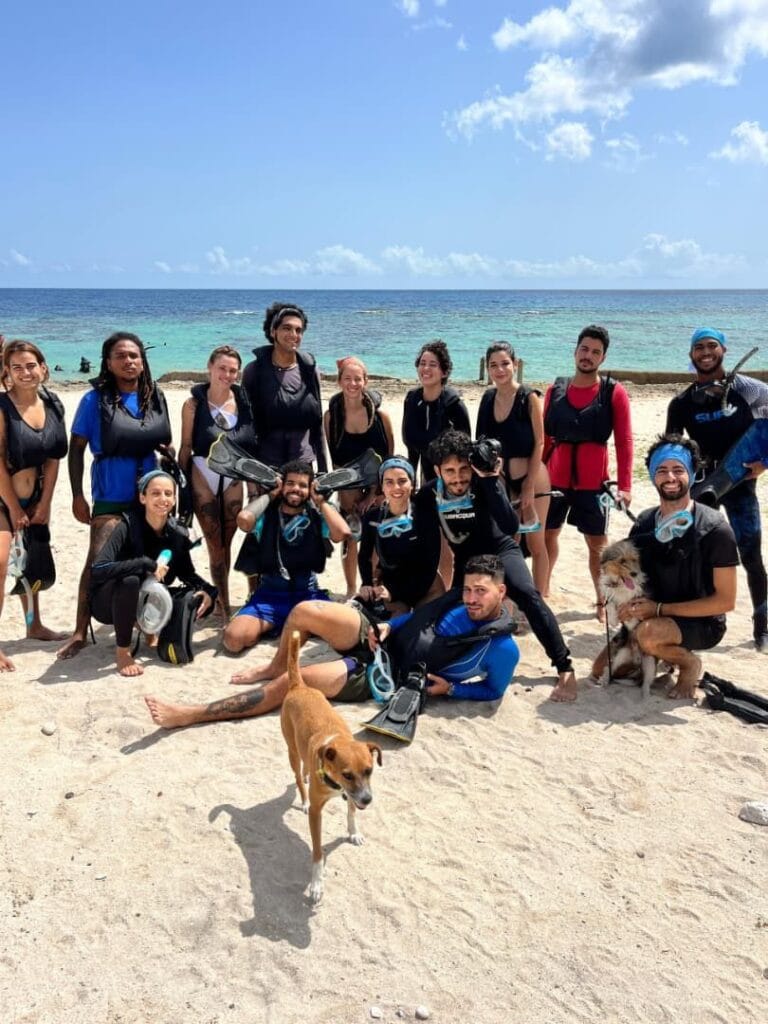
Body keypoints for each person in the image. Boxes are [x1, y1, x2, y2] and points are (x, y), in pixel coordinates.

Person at [143, 554, 520, 729]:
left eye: (481, 592)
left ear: (500, 593)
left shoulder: (502, 648)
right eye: (469, 588)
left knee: (290, 685)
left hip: (379, 671)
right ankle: (275, 661)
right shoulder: (458, 598)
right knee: (307, 610)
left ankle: (190, 713)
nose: (471, 597)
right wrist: (390, 627)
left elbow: (491, 691)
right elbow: (419, 619)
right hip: (379, 637)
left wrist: (451, 689)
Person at [414, 428, 578, 701]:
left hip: (500, 549)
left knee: (528, 595)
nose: (458, 478)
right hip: (467, 560)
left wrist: (490, 481)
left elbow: (510, 525)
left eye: (464, 469)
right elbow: (428, 549)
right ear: (437, 470)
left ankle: (564, 666)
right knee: (451, 609)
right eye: (450, 471)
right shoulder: (428, 496)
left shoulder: (484, 480)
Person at [57, 332, 172, 659]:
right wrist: (78, 495)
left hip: (149, 495)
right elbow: (76, 450)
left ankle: (146, 622)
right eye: (121, 356)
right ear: (108, 362)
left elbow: (164, 442)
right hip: (110, 493)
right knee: (97, 561)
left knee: (151, 561)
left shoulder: (154, 396)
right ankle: (80, 631)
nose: (129, 361)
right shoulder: (94, 400)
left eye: (134, 355)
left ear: (142, 360)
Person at [666, 328, 768, 652]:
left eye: (712, 346)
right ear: (691, 355)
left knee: (751, 555)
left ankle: (763, 627)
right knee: (690, 555)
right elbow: (671, 450)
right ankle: (692, 621)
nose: (705, 352)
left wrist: (765, 459)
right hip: (701, 488)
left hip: (739, 485)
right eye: (699, 347)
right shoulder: (681, 403)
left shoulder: (747, 389)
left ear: (723, 350)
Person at [615, 435, 738, 698]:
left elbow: (726, 601)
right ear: (652, 476)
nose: (670, 477)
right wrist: (625, 603)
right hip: (655, 612)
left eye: (678, 470)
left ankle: (688, 664)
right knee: (612, 668)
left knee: (647, 636)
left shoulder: (716, 529)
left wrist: (659, 609)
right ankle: (663, 654)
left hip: (703, 623)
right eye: (662, 470)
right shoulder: (645, 523)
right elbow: (632, 577)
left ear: (692, 474)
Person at [542, 325, 633, 618]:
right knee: (547, 536)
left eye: (595, 352)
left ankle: (601, 600)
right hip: (555, 478)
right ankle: (542, 592)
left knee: (597, 546)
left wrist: (626, 486)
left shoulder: (612, 392)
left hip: (594, 483)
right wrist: (536, 478)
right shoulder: (554, 390)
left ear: (602, 358)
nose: (588, 356)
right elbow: (544, 439)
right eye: (584, 349)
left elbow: (624, 440)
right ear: (575, 351)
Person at [90, 470, 216, 677]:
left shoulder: (177, 535)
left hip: (146, 601)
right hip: (108, 604)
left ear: (175, 499)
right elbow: (98, 570)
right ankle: (123, 651)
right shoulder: (126, 526)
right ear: (143, 497)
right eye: (155, 493)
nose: (163, 499)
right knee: (130, 580)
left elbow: (187, 573)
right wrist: (146, 564)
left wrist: (208, 593)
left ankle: (149, 629)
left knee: (193, 598)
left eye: (168, 493)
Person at [221, 460, 350, 654]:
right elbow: (244, 520)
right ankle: (285, 624)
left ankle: (294, 623)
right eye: (290, 483)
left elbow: (341, 532)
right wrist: (272, 493)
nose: (296, 489)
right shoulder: (267, 513)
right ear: (282, 485)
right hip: (269, 597)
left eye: (302, 485)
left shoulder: (315, 514)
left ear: (310, 489)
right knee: (234, 639)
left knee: (347, 630)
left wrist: (320, 501)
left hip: (307, 596)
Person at [0, 340, 68, 671]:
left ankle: (33, 623)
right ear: (7, 374)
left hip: (36, 497)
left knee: (32, 564)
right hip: (3, 497)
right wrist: (14, 508)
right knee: (1, 565)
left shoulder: (53, 404)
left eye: (31, 365)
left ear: (43, 367)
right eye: (17, 367)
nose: (25, 372)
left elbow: (54, 457)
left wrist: (44, 503)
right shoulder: (2, 407)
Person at [178, 345, 257, 618]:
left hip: (233, 477)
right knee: (215, 547)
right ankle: (223, 603)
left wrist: (253, 485)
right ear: (210, 368)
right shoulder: (193, 405)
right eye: (222, 368)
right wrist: (183, 491)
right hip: (203, 474)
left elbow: (251, 448)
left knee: (229, 541)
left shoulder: (244, 402)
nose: (227, 374)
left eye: (233, 370)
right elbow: (186, 447)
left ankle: (228, 597)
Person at [476, 341, 551, 593]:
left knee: (536, 543)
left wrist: (529, 484)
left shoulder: (529, 397)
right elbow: (481, 442)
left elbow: (540, 442)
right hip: (501, 480)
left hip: (533, 476)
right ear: (488, 369)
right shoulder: (487, 399)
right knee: (510, 541)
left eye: (505, 364)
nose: (500, 370)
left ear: (515, 365)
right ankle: (513, 598)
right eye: (494, 365)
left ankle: (540, 599)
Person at [324, 356, 394, 597]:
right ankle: (351, 589)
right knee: (350, 532)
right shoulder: (331, 417)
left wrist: (375, 494)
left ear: (366, 381)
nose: (352, 384)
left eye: (358, 379)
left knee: (374, 532)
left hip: (377, 480)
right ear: (339, 381)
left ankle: (373, 584)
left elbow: (389, 459)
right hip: (348, 480)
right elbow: (336, 459)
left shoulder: (380, 417)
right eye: (347, 379)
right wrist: (348, 495)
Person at [241, 302, 327, 471]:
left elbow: (317, 424)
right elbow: (245, 424)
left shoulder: (309, 370)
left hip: (302, 465)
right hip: (266, 466)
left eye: (298, 330)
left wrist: (324, 469)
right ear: (273, 332)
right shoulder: (254, 371)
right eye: (286, 328)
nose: (293, 334)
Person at [357, 456, 443, 615]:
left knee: (421, 633)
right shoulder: (372, 518)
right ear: (382, 486)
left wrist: (395, 593)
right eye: (389, 482)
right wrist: (367, 584)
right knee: (391, 632)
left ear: (412, 484)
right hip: (391, 586)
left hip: (426, 586)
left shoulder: (425, 516)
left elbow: (430, 565)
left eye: (402, 481)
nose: (396, 487)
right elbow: (364, 556)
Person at [402, 339, 470, 484]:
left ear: (444, 372)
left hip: (449, 482)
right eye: (422, 363)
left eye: (433, 365)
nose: (426, 368)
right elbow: (412, 450)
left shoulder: (454, 405)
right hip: (422, 481)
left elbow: (465, 452)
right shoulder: (411, 400)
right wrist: (411, 485)